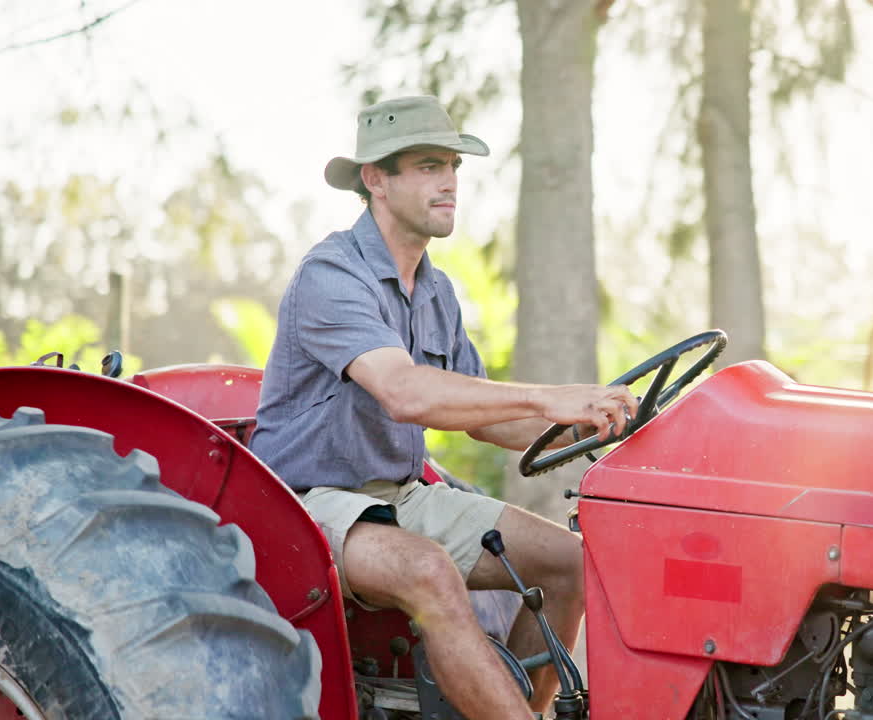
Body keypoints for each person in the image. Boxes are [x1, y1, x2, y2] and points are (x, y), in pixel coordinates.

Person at [250, 95, 637, 719]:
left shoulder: (435, 290)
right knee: (429, 570)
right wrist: (547, 394)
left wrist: (597, 424)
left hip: (401, 498)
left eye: (453, 166)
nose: (450, 182)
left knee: (571, 561)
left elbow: (492, 419)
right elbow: (404, 392)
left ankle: (521, 711)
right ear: (375, 178)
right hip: (308, 503)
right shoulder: (331, 274)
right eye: (429, 165)